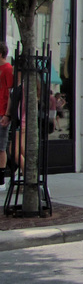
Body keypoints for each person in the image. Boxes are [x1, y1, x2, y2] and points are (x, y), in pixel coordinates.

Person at [0, 43, 13, 191]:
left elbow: (11, 93)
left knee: (1, 146)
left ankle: (1, 179)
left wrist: (7, 114)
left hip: (2, 112)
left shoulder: (8, 69)